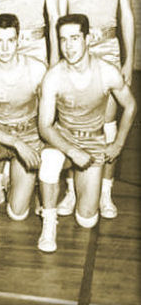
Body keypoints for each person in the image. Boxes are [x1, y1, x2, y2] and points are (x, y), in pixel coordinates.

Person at [57, 0, 135, 219]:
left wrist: (129, 60)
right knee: (69, 121)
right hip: (73, 53)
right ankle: (71, 191)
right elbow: (59, 21)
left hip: (108, 50)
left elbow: (126, 16)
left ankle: (105, 192)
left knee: (107, 125)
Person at [37, 14, 136, 252]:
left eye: (74, 38)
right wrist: (71, 151)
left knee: (86, 219)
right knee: (49, 162)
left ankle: (77, 186)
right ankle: (49, 223)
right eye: (63, 40)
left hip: (93, 140)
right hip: (63, 139)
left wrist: (118, 144)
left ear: (88, 38)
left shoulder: (107, 72)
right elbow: (45, 126)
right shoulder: (53, 77)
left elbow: (131, 105)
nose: (68, 46)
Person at [0, 14, 47, 248]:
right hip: (0, 136)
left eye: (10, 41)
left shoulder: (36, 69)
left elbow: (50, 116)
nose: (4, 48)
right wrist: (16, 143)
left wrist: (36, 145)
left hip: (29, 134)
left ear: (19, 41)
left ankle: (8, 177)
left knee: (17, 213)